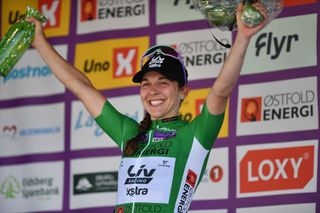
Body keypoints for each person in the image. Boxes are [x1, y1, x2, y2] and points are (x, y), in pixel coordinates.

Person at [27, 2, 267, 212]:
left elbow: (221, 92)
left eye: (163, 83)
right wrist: (40, 43)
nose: (153, 91)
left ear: (184, 91)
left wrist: (243, 38)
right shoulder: (130, 133)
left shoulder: (194, 136)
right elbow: (82, 88)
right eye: (146, 83)